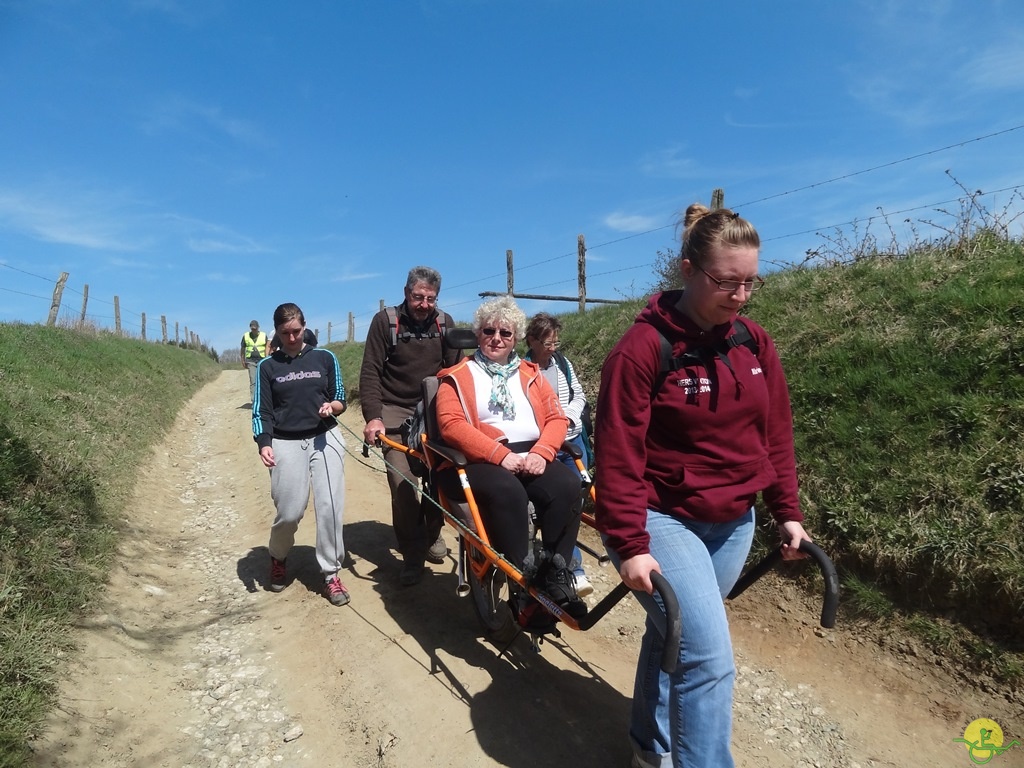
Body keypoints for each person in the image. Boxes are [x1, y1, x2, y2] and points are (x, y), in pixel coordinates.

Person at [594, 204, 812, 768]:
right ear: (688, 269)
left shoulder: (754, 342)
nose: (740, 295)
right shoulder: (641, 350)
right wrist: (629, 543)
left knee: (672, 639)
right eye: (726, 282)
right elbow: (618, 453)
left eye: (750, 282)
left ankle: (649, 748)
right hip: (665, 516)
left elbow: (775, 434)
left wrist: (786, 510)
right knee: (709, 658)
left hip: (734, 520)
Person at [433, 296, 587, 618]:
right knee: (508, 491)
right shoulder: (458, 375)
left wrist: (543, 453)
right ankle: (524, 579)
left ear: (515, 338)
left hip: (531, 455)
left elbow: (557, 418)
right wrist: (499, 455)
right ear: (478, 334)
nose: (497, 339)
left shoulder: (531, 374)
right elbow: (451, 425)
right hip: (477, 460)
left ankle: (556, 573)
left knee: (569, 487)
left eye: (505, 333)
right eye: (489, 331)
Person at [360, 266, 461, 586]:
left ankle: (431, 534)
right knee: (402, 483)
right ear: (406, 293)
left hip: (432, 409)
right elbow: (371, 373)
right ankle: (413, 553)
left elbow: (457, 373)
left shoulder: (446, 325)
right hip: (393, 410)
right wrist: (373, 416)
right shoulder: (385, 322)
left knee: (439, 479)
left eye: (430, 298)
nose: (424, 304)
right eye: (418, 297)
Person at [253, 303, 350, 607]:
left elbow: (341, 397)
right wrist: (264, 443)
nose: (292, 338)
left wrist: (332, 407)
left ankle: (331, 572)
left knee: (330, 506)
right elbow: (262, 412)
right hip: (285, 441)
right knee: (290, 511)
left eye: (296, 331)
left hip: (326, 436)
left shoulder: (325, 357)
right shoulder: (267, 366)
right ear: (277, 333)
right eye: (285, 333)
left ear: (305, 326)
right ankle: (278, 556)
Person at [523, 312, 594, 597]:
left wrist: (566, 419)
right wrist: (551, 428)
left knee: (575, 502)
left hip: (572, 443)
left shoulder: (563, 363)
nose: (553, 347)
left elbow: (578, 395)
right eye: (548, 342)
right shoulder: (522, 369)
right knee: (556, 505)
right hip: (544, 447)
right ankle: (568, 569)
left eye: (556, 342)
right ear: (531, 340)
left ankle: (567, 565)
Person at [240, 319, 271, 404]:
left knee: (263, 381)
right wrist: (242, 360)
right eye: (252, 328)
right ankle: (254, 401)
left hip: (262, 360)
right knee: (253, 381)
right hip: (250, 361)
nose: (253, 330)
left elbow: (268, 347)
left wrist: (268, 358)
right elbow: (242, 349)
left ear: (258, 328)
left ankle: (263, 400)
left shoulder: (263, 335)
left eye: (255, 328)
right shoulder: (246, 336)